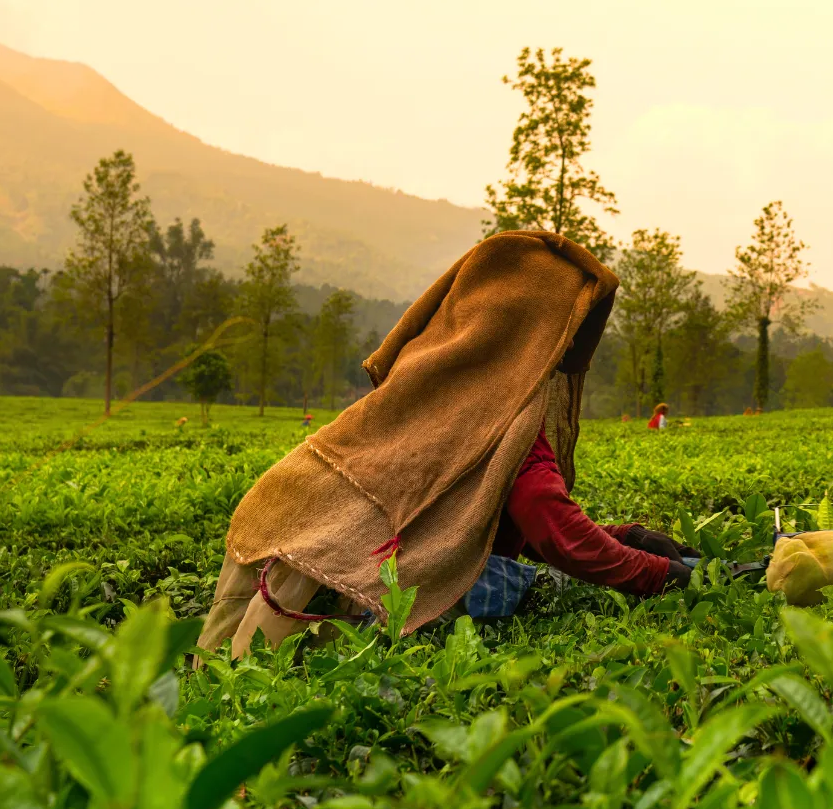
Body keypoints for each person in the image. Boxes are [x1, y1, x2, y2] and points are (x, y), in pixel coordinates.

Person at [198, 231, 698, 658]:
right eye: (564, 328)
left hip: (286, 560)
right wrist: (665, 576)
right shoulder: (508, 412)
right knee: (522, 587)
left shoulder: (435, 387)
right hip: (340, 595)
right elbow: (553, 529)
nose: (570, 345)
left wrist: (627, 535)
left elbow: (491, 520)